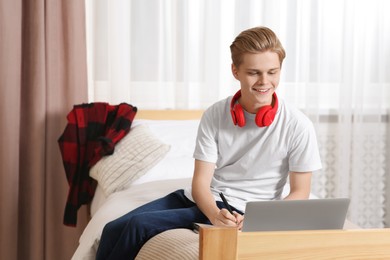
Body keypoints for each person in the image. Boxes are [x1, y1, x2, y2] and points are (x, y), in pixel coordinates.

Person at [96, 26, 322, 260]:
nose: (265, 81)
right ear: (235, 71)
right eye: (254, 73)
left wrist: (259, 219)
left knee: (138, 226)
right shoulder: (215, 114)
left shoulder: (298, 124)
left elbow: (300, 192)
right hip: (206, 202)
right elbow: (200, 184)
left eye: (272, 72)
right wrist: (214, 215)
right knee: (112, 228)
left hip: (244, 212)